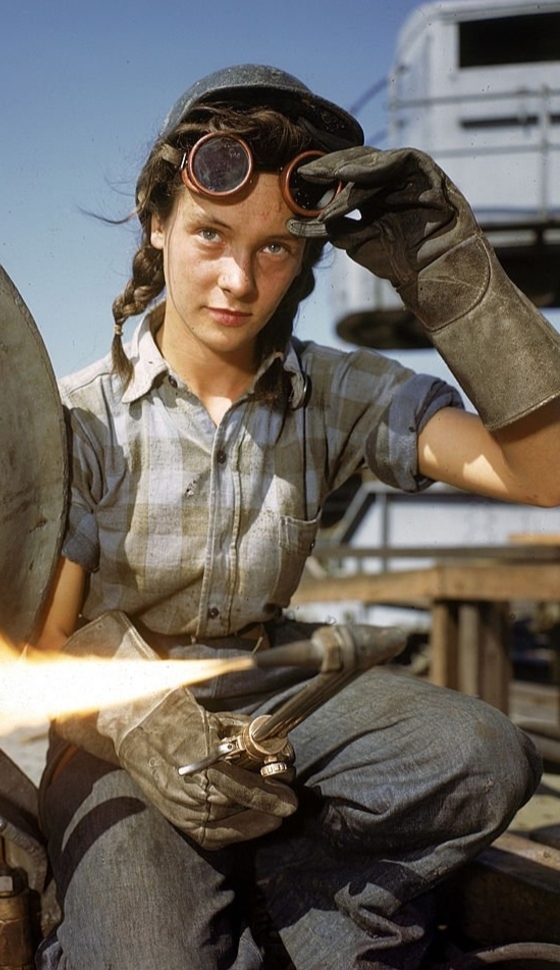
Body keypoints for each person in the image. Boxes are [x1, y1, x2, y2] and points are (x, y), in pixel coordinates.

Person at [31, 64, 558, 970]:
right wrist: (135, 721)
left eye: (276, 248)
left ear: (307, 259)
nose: (238, 278)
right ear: (157, 227)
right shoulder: (79, 418)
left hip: (270, 698)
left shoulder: (338, 393)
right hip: (113, 723)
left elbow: (541, 473)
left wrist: (449, 273)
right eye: (210, 234)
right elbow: (44, 648)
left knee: (484, 757)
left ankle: (306, 898)